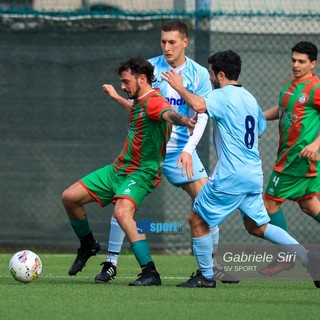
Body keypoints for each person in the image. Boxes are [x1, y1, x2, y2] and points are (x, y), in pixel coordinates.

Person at [95, 20, 238, 284]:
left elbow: (202, 115)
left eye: (172, 42)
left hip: (179, 153)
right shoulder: (148, 70)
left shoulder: (197, 74)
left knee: (207, 204)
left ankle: (212, 266)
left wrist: (188, 150)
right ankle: (111, 262)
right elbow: (139, 108)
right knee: (122, 205)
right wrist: (118, 98)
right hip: (146, 155)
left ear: (185, 42)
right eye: (163, 41)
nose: (167, 47)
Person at [162, 49, 320, 288]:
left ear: (222, 75)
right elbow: (258, 129)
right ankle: (308, 258)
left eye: (212, 74)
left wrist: (179, 87)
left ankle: (205, 277)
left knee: (196, 219)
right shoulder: (248, 97)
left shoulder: (223, 96)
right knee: (258, 226)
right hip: (253, 174)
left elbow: (198, 104)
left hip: (231, 175)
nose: (211, 79)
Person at [62, 56, 196, 286]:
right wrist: (116, 97)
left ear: (142, 78)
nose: (123, 86)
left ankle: (150, 272)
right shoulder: (141, 102)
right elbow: (138, 110)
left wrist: (185, 120)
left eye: (126, 82)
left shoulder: (154, 101)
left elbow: (167, 113)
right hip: (118, 169)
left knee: (123, 214)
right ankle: (88, 245)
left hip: (141, 173)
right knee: (69, 198)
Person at [259, 41, 320, 275]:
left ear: (312, 64)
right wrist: (260, 118)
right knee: (309, 205)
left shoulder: (315, 88)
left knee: (270, 204)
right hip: (289, 156)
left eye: (301, 61)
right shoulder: (290, 84)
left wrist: (315, 144)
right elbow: (283, 109)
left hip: (297, 159)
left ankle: (285, 257)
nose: (295, 64)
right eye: (293, 60)